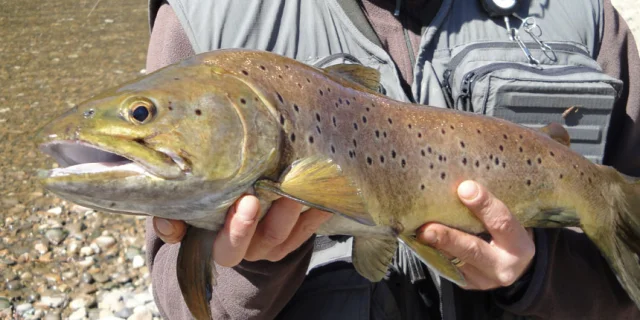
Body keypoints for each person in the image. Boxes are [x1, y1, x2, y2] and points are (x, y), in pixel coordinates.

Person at [143, 0, 640, 319]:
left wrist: (538, 277)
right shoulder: (201, 20)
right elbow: (179, 302)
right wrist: (253, 267)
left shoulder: (587, 18)